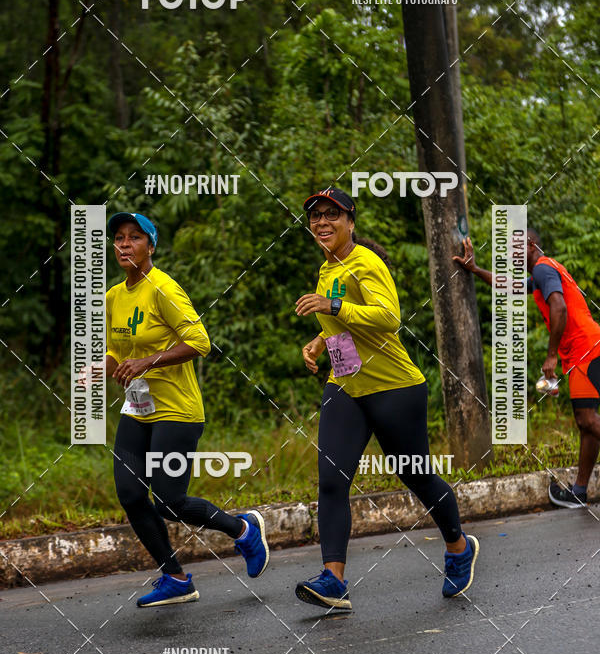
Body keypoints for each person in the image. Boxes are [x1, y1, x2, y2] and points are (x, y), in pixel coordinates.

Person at [294, 188, 478, 610]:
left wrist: (334, 306)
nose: (322, 222)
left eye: (331, 215)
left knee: (416, 476)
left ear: (351, 222)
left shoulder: (366, 263)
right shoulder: (328, 268)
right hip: (346, 387)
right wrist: (320, 343)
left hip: (395, 388)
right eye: (315, 216)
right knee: (331, 481)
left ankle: (457, 546)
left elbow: (388, 316)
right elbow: (342, 320)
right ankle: (333, 580)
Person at [106, 211, 269, 607]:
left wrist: (148, 361)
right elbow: (115, 350)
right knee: (130, 493)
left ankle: (243, 529)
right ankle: (176, 579)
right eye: (119, 238)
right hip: (138, 408)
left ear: (151, 246)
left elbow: (199, 341)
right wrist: (104, 369)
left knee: (168, 501)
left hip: (177, 410)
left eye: (134, 238)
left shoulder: (163, 289)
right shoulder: (113, 296)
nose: (125, 244)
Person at [454, 230, 600, 509]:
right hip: (588, 349)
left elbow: (559, 308)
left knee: (587, 421)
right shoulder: (541, 274)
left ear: (531, 245)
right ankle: (579, 491)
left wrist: (551, 356)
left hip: (586, 350)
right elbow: (510, 285)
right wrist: (474, 269)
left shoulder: (544, 269)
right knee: (587, 423)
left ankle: (580, 491)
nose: (512, 255)